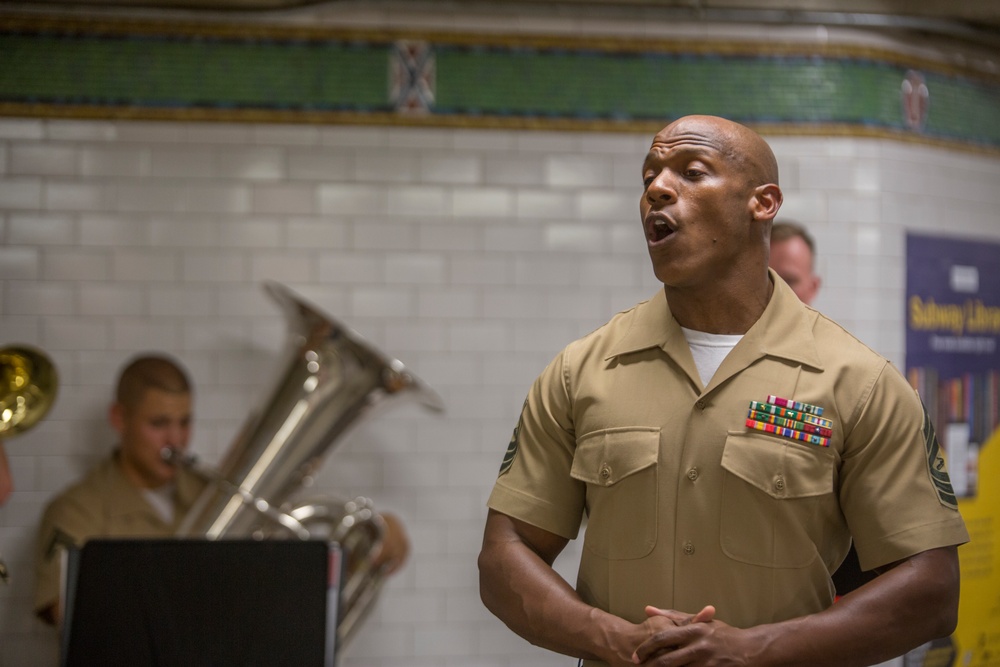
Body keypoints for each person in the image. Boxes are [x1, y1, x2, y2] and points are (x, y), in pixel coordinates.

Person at [479, 115, 968, 667]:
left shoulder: (859, 381)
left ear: (763, 203)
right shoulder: (581, 371)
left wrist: (754, 650)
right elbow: (505, 554)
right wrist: (614, 639)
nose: (657, 189)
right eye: (648, 178)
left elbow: (931, 589)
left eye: (691, 171)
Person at [35, 353, 410, 626]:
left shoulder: (211, 492)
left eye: (185, 422)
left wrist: (368, 541)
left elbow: (273, 582)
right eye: (159, 423)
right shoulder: (76, 510)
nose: (176, 439)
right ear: (119, 418)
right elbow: (71, 618)